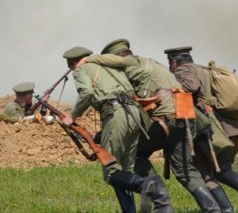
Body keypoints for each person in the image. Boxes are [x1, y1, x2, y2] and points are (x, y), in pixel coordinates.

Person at [83, 38, 221, 213]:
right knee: (186, 172)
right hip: (184, 120)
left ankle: (160, 201)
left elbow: (129, 107)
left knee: (135, 154)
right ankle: (213, 210)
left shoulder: (131, 66)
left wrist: (88, 61)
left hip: (165, 121)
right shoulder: (153, 64)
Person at [61, 46, 171, 213]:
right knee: (125, 172)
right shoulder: (110, 66)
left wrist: (73, 116)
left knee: (112, 173)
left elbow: (87, 93)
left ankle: (146, 184)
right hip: (134, 115)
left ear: (72, 63)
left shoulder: (81, 69)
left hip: (116, 114)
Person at [167, 46, 238, 213]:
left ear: (174, 62)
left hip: (212, 131)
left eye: (170, 62)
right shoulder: (205, 70)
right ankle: (229, 207)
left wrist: (169, 91)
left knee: (213, 173)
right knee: (214, 172)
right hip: (230, 128)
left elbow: (192, 86)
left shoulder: (184, 71)